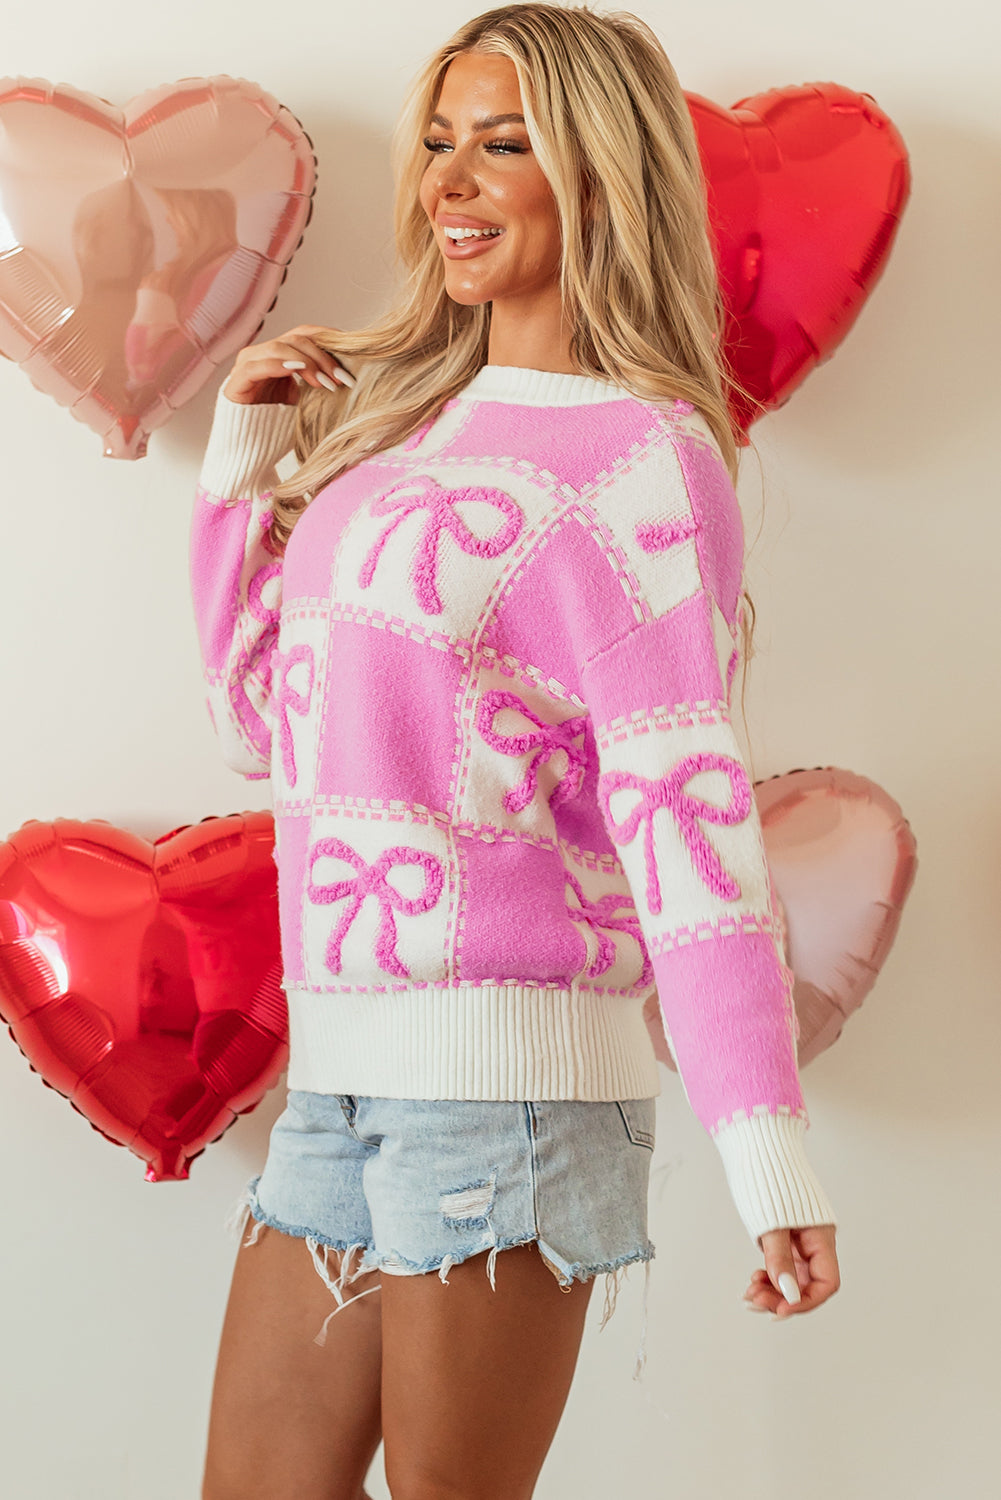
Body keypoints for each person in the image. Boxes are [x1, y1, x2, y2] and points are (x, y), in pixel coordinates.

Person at [191, 6, 840, 1498]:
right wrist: (243, 468)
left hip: (511, 1096)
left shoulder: (640, 459)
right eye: (437, 144)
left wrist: (766, 1155)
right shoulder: (398, 438)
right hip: (340, 1078)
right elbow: (261, 721)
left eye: (503, 143)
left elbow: (688, 823)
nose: (450, 184)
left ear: (599, 174)